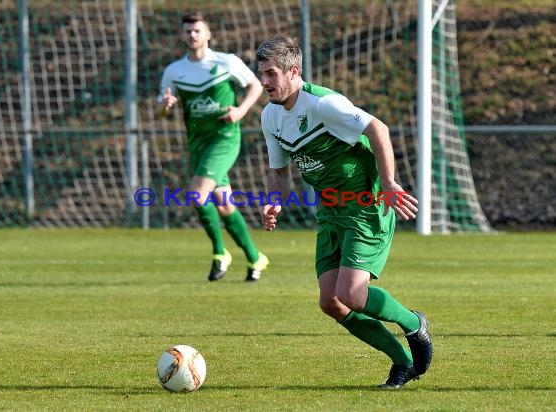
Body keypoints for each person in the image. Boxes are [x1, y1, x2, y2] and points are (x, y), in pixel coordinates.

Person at [255, 36, 432, 388]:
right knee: (331, 302)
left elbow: (377, 128)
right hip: (331, 213)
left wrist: (389, 181)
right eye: (261, 74)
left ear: (294, 71)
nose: (264, 82)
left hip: (367, 207)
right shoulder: (270, 116)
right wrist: (275, 200)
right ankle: (401, 362)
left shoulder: (324, 104)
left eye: (271, 74)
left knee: (352, 294)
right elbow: (279, 172)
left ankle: (414, 324)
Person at [158, 12, 268, 282]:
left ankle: (220, 253)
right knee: (224, 204)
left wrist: (241, 111)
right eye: (188, 31)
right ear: (183, 35)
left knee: (197, 195)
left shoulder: (226, 62)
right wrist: (165, 107)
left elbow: (256, 85)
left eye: (197, 31)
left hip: (224, 137)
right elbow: (163, 111)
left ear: (208, 34)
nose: (192, 35)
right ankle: (256, 258)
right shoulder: (174, 71)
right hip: (197, 143)